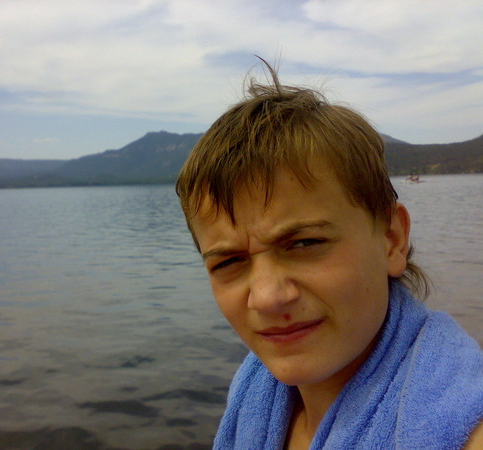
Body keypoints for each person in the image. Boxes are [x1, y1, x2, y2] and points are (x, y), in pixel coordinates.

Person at [176, 63, 483, 449]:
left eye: (304, 243)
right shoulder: (256, 396)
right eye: (228, 262)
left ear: (391, 239)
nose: (267, 298)